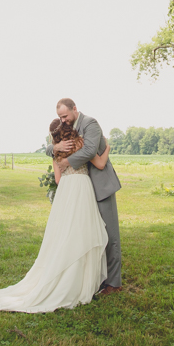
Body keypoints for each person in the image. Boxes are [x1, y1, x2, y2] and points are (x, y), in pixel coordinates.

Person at [0, 117, 111, 313]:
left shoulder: (56, 152)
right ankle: (80, 279)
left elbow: (57, 179)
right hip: (83, 188)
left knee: (64, 233)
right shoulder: (80, 143)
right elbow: (99, 164)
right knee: (82, 231)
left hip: (66, 191)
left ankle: (63, 274)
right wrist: (106, 149)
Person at [50, 98, 123, 296]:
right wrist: (55, 149)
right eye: (60, 117)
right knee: (88, 234)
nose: (63, 120)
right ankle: (95, 278)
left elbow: (90, 150)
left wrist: (66, 162)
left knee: (109, 234)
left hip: (100, 185)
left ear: (75, 109)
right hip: (82, 188)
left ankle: (114, 282)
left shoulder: (90, 123)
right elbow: (52, 146)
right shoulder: (68, 128)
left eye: (65, 116)